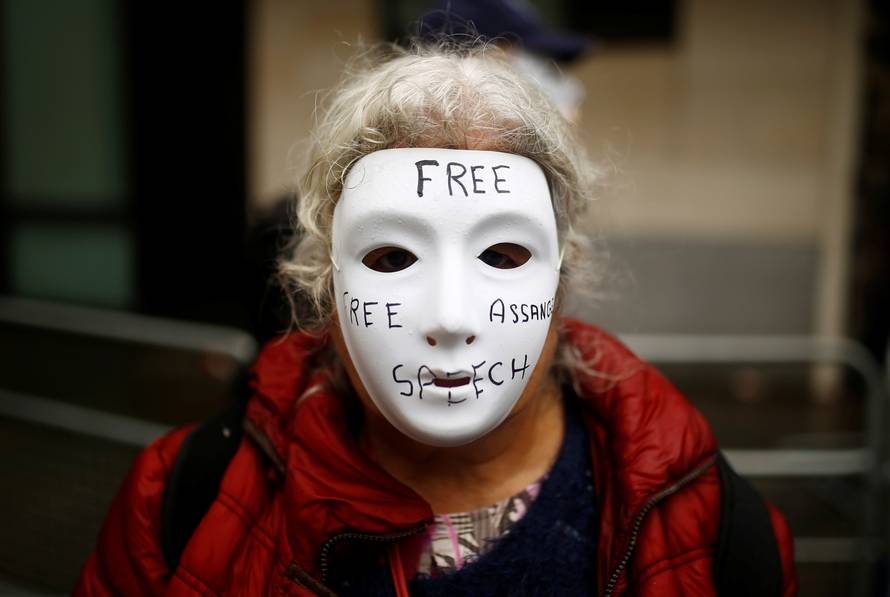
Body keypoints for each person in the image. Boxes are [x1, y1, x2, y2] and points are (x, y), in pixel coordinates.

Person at [75, 42, 797, 596]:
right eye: (392, 258)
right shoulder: (182, 502)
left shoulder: (710, 527)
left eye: (503, 253)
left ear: (562, 275)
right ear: (325, 285)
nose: (451, 318)